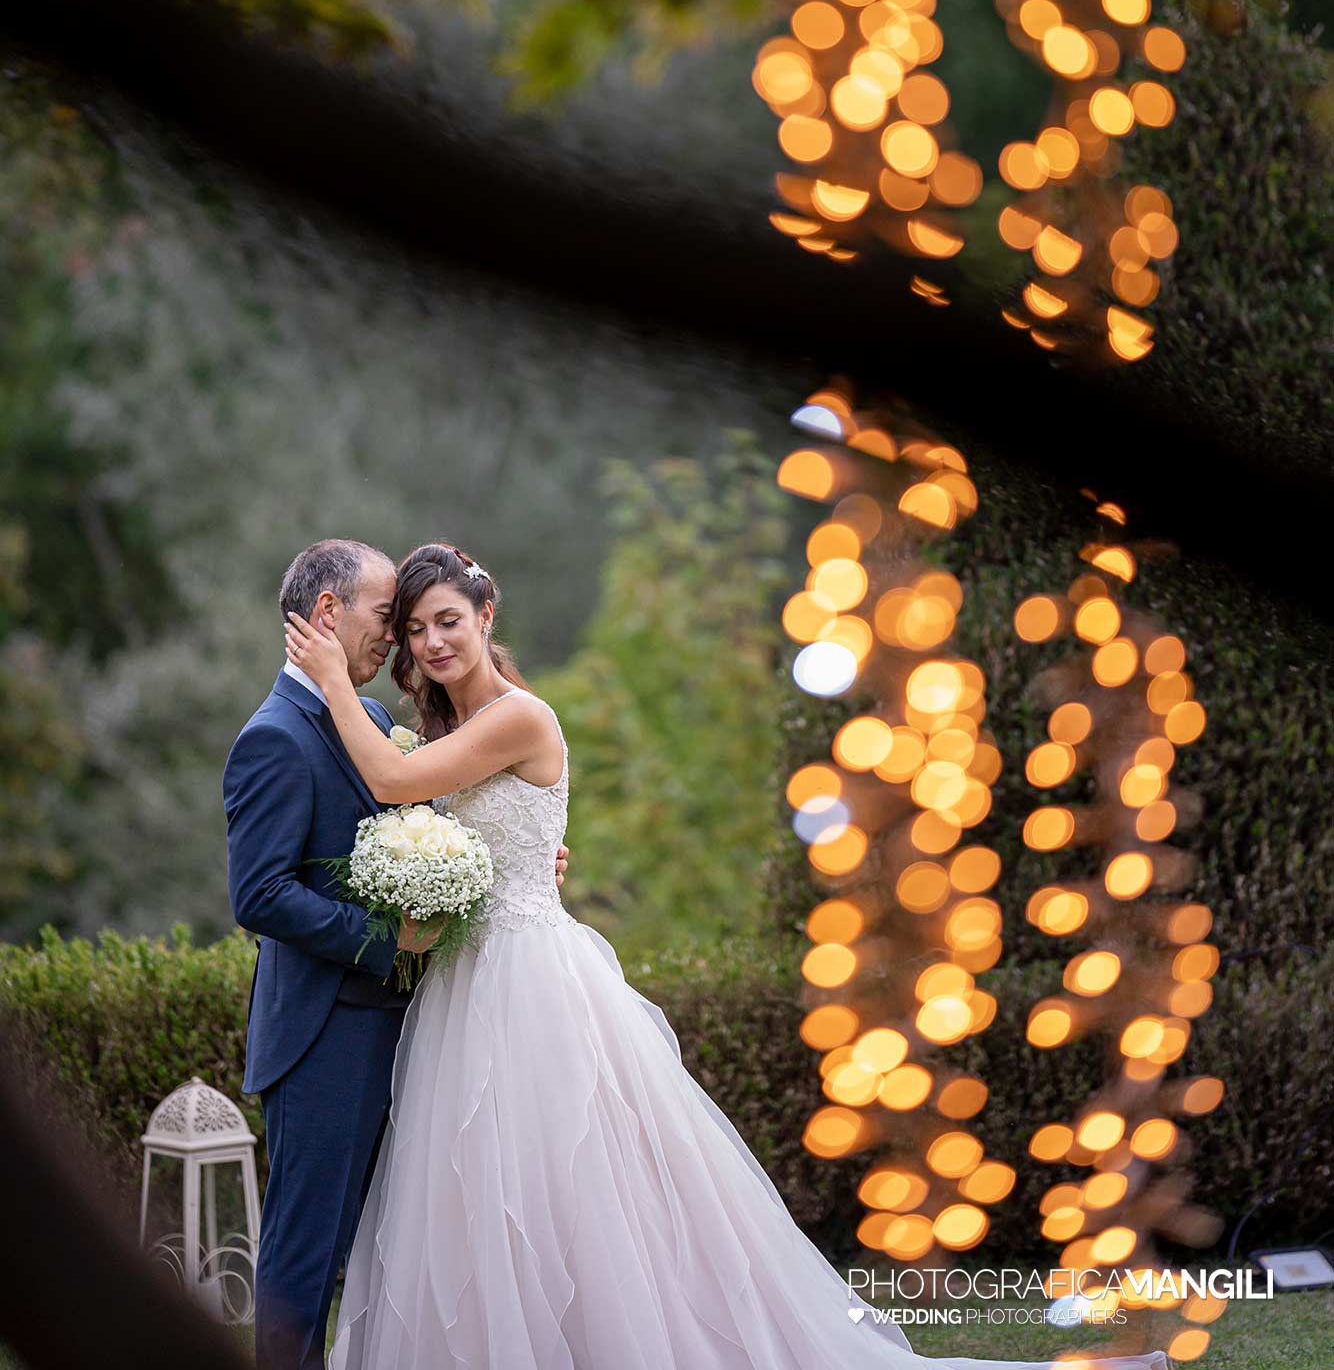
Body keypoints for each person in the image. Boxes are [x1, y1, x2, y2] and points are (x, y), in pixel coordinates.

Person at [284, 541, 1170, 1370]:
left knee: (568, 1183)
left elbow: (396, 784)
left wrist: (328, 678)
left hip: (531, 986)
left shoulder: (520, 715)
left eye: (449, 620)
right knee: (475, 1196)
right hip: (461, 984)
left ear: (485, 615)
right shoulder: (445, 723)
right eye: (414, 629)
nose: (433, 641)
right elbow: (449, 818)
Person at [224, 536, 570, 1370]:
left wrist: (510, 863)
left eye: (422, 623)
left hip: (422, 1023)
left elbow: (427, 822)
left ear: (485, 616)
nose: (402, 642)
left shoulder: (375, 720)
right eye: (393, 621)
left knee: (411, 1242)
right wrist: (388, 943)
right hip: (324, 1032)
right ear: (329, 612)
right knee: (306, 1260)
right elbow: (259, 895)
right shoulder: (273, 736)